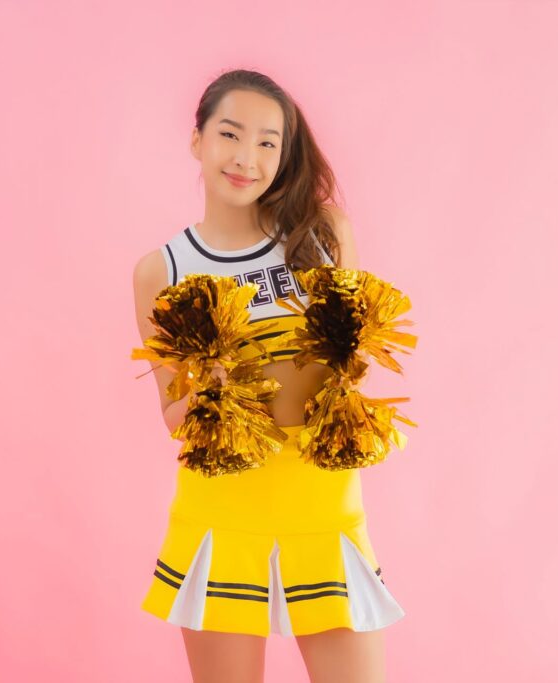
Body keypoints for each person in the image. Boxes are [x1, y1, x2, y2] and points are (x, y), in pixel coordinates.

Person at [132, 69, 405, 683]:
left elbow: (351, 376)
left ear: (283, 158)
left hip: (324, 505)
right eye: (230, 134)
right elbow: (173, 417)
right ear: (197, 140)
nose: (246, 158)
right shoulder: (162, 270)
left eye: (267, 143)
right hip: (222, 513)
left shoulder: (323, 235)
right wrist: (214, 383)